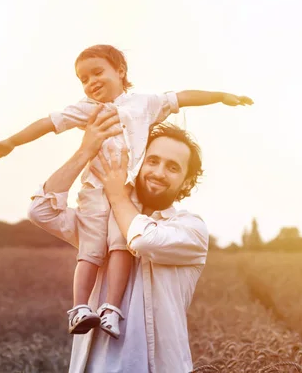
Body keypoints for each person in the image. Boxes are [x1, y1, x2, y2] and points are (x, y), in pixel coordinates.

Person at [0, 44, 252, 339]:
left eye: (97, 72)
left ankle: (111, 308)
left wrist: (220, 97)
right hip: (95, 193)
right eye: (83, 79)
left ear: (121, 71)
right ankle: (80, 309)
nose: (91, 82)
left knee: (122, 245)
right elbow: (48, 123)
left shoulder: (143, 104)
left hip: (126, 194)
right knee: (90, 250)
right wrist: (12, 142)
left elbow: (181, 97)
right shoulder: (86, 110)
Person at [27, 106, 210, 372]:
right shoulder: (101, 222)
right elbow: (41, 211)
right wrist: (84, 153)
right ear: (139, 162)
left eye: (172, 167)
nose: (158, 172)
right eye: (153, 160)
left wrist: (116, 196)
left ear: (186, 181)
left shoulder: (190, 228)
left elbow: (143, 240)